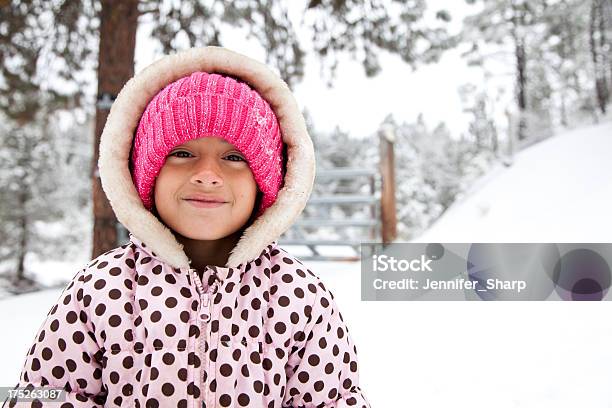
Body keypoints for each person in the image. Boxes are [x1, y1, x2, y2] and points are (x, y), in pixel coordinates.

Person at [7, 47, 371, 408]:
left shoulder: (298, 296)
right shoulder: (101, 290)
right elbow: (41, 395)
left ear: (265, 184)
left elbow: (335, 400)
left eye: (234, 157)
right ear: (145, 174)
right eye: (182, 153)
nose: (208, 175)